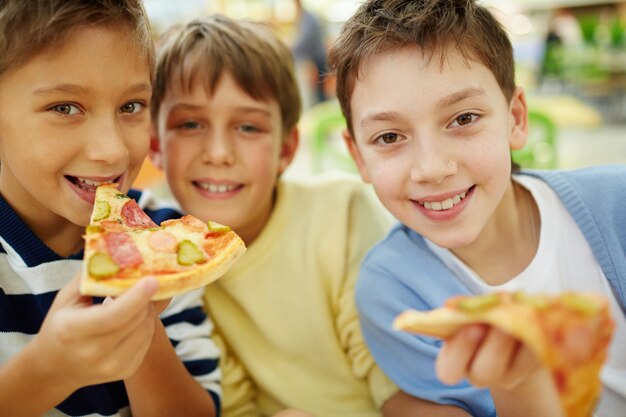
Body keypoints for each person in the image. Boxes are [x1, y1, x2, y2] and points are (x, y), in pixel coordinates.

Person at [327, 0, 626, 416]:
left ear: (515, 119)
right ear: (358, 156)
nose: (432, 169)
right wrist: (518, 382)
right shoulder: (394, 293)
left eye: (464, 118)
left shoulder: (617, 205)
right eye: (390, 137)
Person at [148, 14, 436, 417]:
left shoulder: (341, 214)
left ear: (286, 148)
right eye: (191, 124)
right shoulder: (164, 260)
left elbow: (404, 380)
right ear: (154, 143)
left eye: (248, 127)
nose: (217, 152)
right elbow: (231, 405)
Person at [0, 1, 220, 416]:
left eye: (130, 107)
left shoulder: (166, 238)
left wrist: (139, 319)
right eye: (65, 108)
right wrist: (48, 370)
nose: (112, 150)